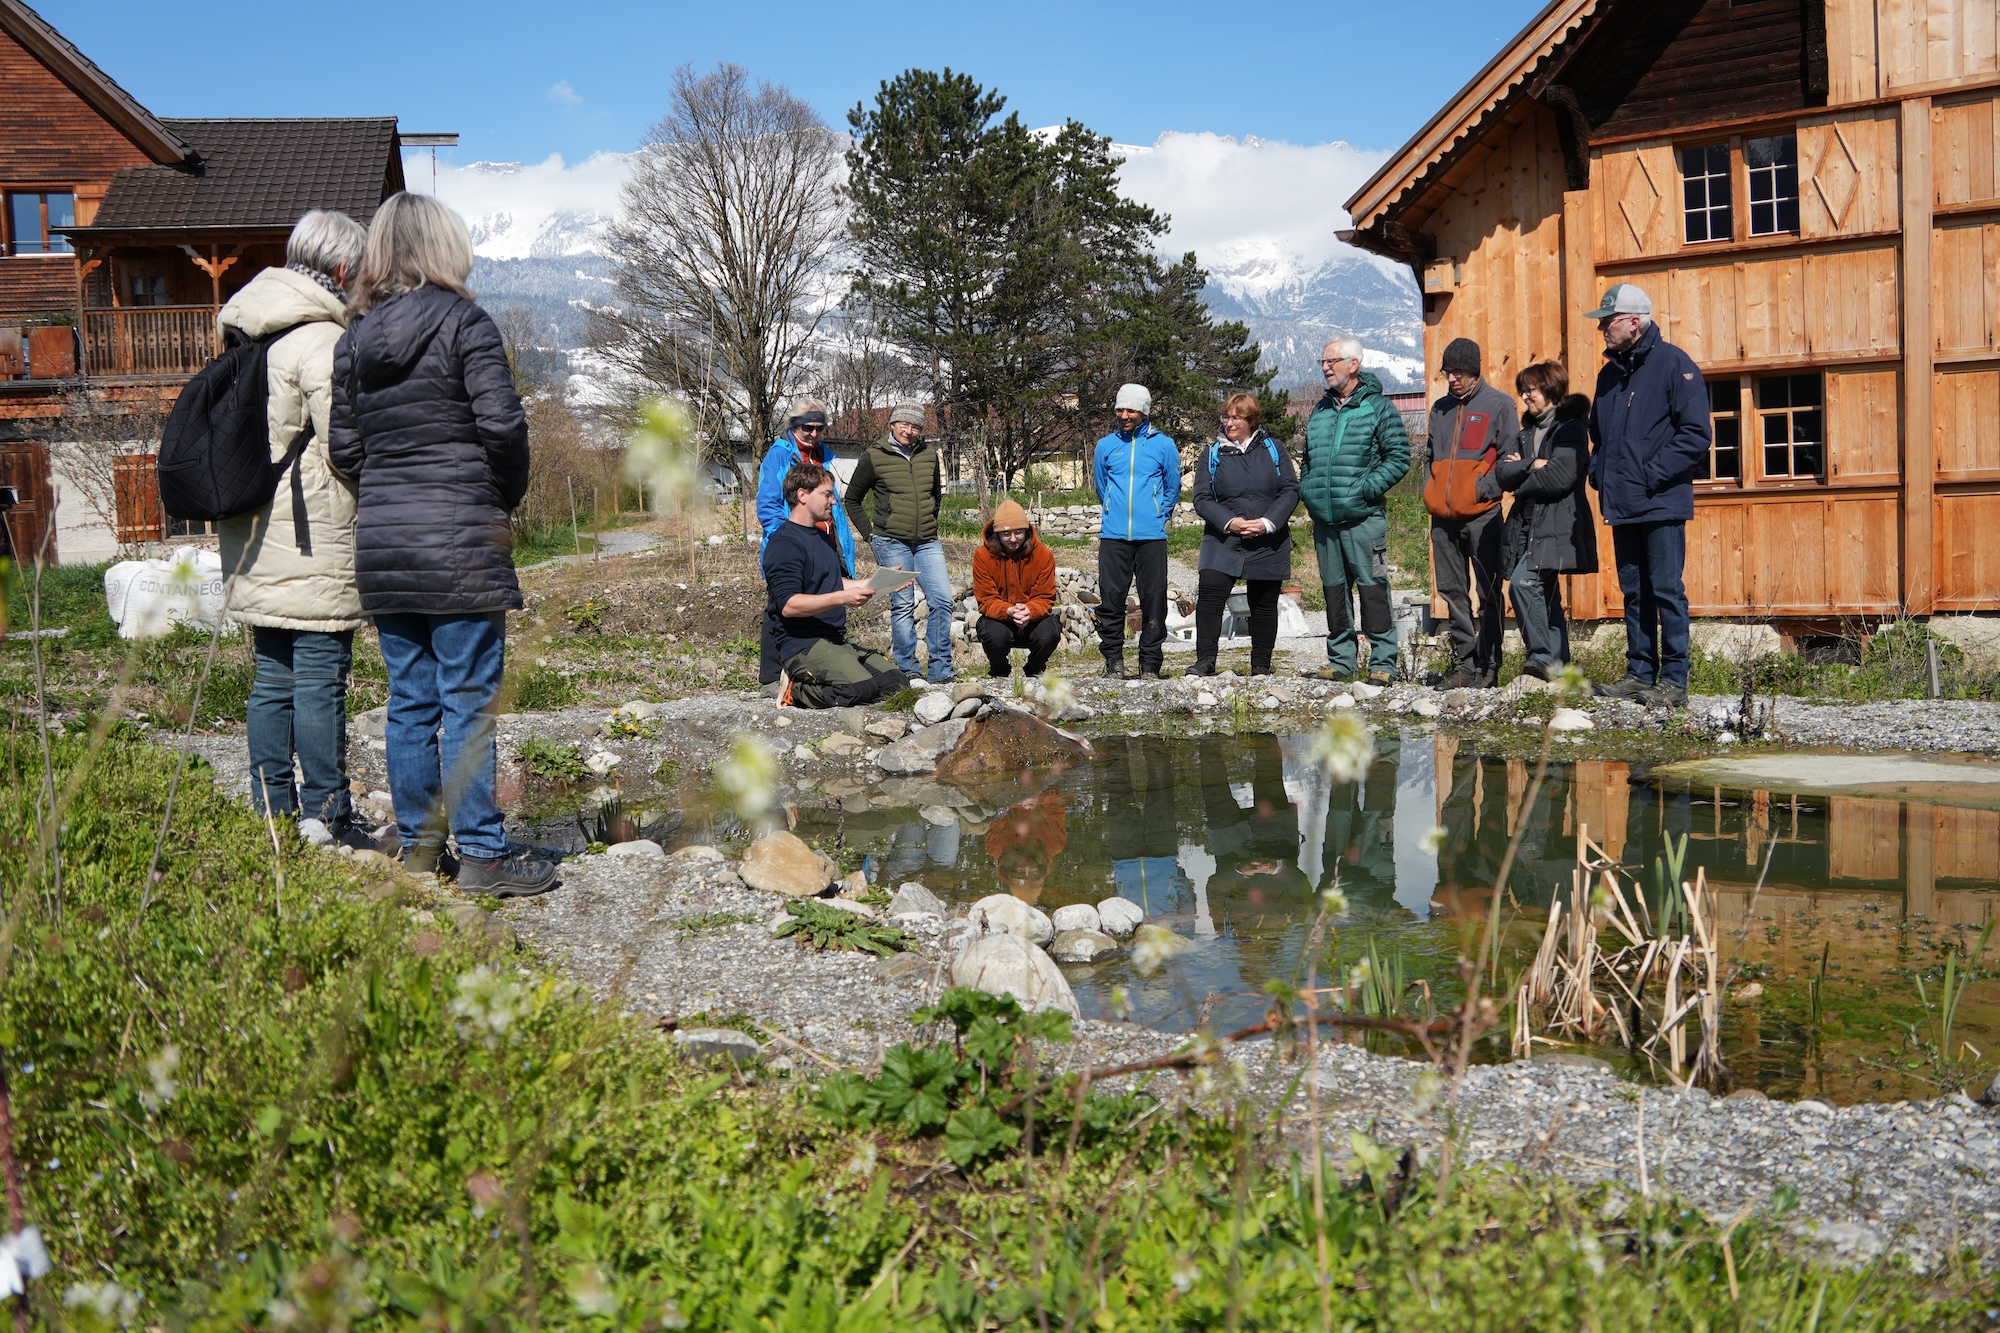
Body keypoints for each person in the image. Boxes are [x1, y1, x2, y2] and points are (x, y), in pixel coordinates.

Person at [329, 192, 557, 896]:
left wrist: (393, 497)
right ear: (445, 248)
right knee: (467, 699)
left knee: (410, 699)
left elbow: (344, 450)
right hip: (460, 539)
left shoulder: (353, 341)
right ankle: (485, 855)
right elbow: (504, 429)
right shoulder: (467, 324)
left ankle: (423, 846)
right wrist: (501, 499)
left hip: (386, 546)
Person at [218, 209, 374, 852]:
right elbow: (348, 447)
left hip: (254, 530)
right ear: (341, 270)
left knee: (271, 677)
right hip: (312, 534)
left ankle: (270, 812)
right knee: (319, 675)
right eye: (361, 273)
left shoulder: (247, 330)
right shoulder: (321, 342)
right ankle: (325, 815)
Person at [1586, 284, 1709, 709]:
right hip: (1622, 503)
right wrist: (1598, 471)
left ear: (1633, 322)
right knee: (1634, 590)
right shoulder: (1609, 376)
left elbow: (1696, 436)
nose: (1601, 328)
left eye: (1608, 320)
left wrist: (1650, 476)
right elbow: (1598, 437)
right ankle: (1640, 672)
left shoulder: (1675, 365)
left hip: (1660, 501)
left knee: (1665, 589)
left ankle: (1674, 679)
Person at [1297, 336, 1410, 684]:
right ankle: (1342, 661)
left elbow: (1399, 458)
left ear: (1354, 364)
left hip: (1364, 519)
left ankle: (1383, 664)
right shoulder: (1320, 409)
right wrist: (1309, 490)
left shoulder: (1379, 407)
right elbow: (1308, 460)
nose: (1325, 367)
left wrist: (1364, 490)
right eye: (1323, 362)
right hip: (1325, 521)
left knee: (1373, 588)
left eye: (1332, 361)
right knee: (1333, 590)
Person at [1484, 362, 1597, 679]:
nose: (1524, 396)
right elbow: (1502, 473)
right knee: (1546, 596)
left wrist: (1524, 474)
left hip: (1558, 523)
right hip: (1526, 525)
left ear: (1549, 388)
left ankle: (1542, 657)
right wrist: (1535, 464)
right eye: (1521, 390)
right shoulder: (1526, 433)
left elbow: (1562, 475)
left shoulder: (1571, 428)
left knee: (1524, 583)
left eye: (1529, 389)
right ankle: (1561, 666)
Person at [763, 461, 907, 708]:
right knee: (856, 689)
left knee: (896, 684)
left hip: (835, 639)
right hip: (802, 643)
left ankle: (841, 669)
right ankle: (795, 690)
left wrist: (877, 582)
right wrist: (843, 599)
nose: (833, 501)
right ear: (802, 495)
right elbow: (789, 605)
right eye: (827, 494)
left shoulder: (821, 537)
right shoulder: (784, 543)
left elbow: (831, 583)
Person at [1423, 337, 1516, 687]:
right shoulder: (1439, 409)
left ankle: (1490, 667)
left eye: (1458, 372)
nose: (1452, 379)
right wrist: (1429, 490)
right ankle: (1466, 665)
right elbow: (1430, 456)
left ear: (1475, 371)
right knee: (1451, 591)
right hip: (1442, 518)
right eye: (1448, 372)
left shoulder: (1500, 405)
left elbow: (1510, 457)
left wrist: (1482, 491)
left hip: (1483, 515)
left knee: (1489, 590)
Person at [1187, 392, 1298, 677]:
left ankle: (1261, 665)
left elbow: (1289, 490)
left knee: (1263, 603)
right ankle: (1205, 661)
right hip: (1223, 537)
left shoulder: (1274, 449)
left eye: (1235, 417)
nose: (1229, 422)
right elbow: (1202, 498)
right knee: (1210, 594)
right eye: (1225, 416)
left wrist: (1267, 522)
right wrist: (1231, 522)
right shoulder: (1212, 453)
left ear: (1251, 420)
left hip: (1268, 537)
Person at [844, 403, 953, 682]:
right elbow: (852, 499)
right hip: (890, 542)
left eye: (916, 426)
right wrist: (870, 535)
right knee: (902, 604)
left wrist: (930, 522)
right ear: (892, 424)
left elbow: (935, 496)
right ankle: (908, 671)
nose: (909, 430)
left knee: (942, 601)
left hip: (927, 541)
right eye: (904, 424)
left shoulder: (929, 455)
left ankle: (941, 671)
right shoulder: (874, 456)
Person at [755, 398, 856, 687]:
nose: (813, 434)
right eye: (807, 428)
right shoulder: (779, 455)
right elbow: (768, 504)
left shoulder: (823, 456)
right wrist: (786, 541)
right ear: (794, 426)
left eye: (819, 428)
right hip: (794, 541)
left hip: (826, 539)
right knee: (781, 606)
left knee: (829, 595)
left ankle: (827, 661)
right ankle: (773, 677)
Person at [1093, 383, 1180, 679]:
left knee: (1154, 600)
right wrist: (1111, 509)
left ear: (1144, 410)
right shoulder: (1106, 446)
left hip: (1151, 537)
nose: (1124, 415)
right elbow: (1101, 486)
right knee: (1111, 599)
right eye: (1120, 409)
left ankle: (1150, 664)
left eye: (1131, 409)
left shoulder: (1163, 445)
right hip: (1113, 535)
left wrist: (1160, 514)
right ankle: (1114, 663)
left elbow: (1172, 486)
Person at [972, 497, 1060, 678]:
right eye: (1006, 534)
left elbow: (1045, 597)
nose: (1013, 539)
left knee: (1050, 632)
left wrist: (1030, 610)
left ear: (1026, 531)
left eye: (1018, 532)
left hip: (1032, 620)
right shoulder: (982, 556)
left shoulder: (1044, 555)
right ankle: (1000, 670)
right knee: (991, 632)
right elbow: (986, 599)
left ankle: (1035, 668)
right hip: (1001, 619)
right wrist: (1009, 610)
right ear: (996, 534)